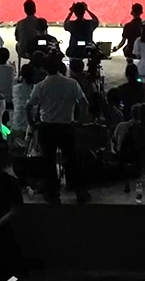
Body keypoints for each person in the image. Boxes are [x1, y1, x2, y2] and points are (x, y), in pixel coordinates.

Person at [28, 57, 89, 203]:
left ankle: (52, 193)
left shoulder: (40, 86)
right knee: (72, 160)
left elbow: (28, 106)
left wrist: (32, 123)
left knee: (48, 161)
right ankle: (79, 191)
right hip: (67, 126)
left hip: (47, 127)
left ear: (44, 69)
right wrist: (80, 120)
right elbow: (83, 102)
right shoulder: (71, 83)